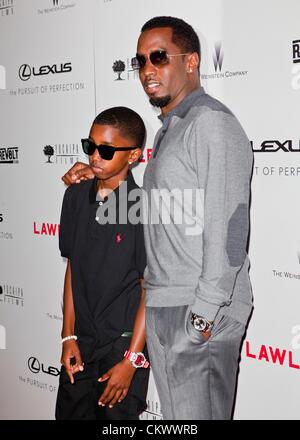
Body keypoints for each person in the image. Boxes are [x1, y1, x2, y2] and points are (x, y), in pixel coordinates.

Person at [62, 16, 253, 420]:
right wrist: (93, 172)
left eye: (159, 57)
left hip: (196, 311)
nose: (147, 69)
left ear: (191, 61)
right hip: (167, 307)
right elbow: (159, 210)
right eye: (141, 60)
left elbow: (230, 228)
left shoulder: (211, 124)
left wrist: (201, 316)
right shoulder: (173, 128)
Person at [56, 106, 149, 420]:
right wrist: (68, 336)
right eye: (90, 146)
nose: (95, 156)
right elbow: (73, 268)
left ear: (133, 156)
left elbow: (151, 289)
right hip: (80, 344)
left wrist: (131, 361)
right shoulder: (75, 196)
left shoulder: (143, 207)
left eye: (106, 150)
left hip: (120, 349)